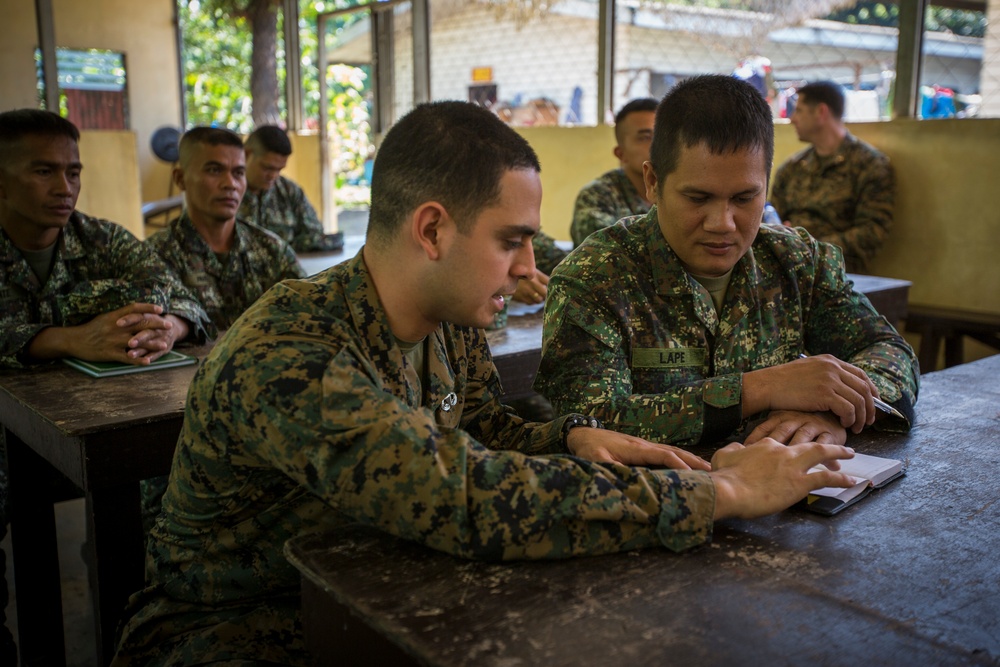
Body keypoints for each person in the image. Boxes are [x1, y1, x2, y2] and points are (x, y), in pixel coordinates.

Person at [111, 100, 858, 667]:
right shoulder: (289, 349)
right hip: (235, 627)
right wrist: (718, 494)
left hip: (378, 584)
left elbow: (482, 432)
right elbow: (459, 491)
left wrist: (569, 437)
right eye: (511, 242)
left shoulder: (449, 320)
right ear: (432, 230)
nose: (532, 271)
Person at [536, 75, 919, 450]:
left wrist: (833, 412)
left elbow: (888, 350)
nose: (722, 224)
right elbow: (589, 425)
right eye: (698, 198)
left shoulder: (797, 263)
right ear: (653, 183)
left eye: (744, 198)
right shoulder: (595, 279)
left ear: (766, 187)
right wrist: (760, 388)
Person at [0, 109, 212, 663]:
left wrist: (172, 326)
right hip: (8, 443)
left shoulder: (100, 239)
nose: (64, 188)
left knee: (155, 514)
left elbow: (180, 295)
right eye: (44, 172)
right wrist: (68, 339)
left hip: (88, 428)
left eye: (73, 172)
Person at [146, 127, 306, 331]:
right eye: (214, 170)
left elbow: (308, 313)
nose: (230, 184)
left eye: (239, 173)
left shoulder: (272, 250)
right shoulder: (156, 255)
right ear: (180, 178)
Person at [769, 80, 894, 273]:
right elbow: (772, 219)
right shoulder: (792, 167)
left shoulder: (869, 165)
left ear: (821, 112)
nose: (792, 119)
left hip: (837, 271)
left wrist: (809, 246)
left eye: (799, 110)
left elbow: (872, 233)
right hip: (788, 266)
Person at [239, 124, 344, 252]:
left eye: (279, 169)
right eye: (267, 168)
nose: (273, 176)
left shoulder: (288, 192)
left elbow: (315, 235)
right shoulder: (227, 192)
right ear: (246, 154)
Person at [570, 97, 656, 246]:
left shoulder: (680, 192)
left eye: (662, 137)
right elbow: (610, 254)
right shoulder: (596, 196)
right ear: (621, 154)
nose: (657, 146)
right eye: (645, 137)